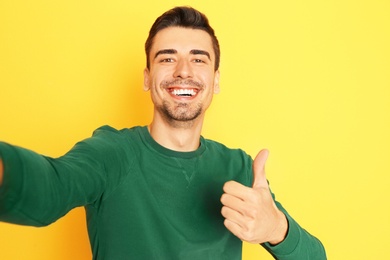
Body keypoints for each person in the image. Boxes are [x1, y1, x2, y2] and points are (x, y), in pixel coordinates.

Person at [0, 6, 326, 259]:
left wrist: (277, 228)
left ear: (215, 80)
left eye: (198, 60)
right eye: (167, 58)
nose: (183, 71)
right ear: (147, 77)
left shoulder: (240, 168)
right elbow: (50, 187)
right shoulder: (111, 152)